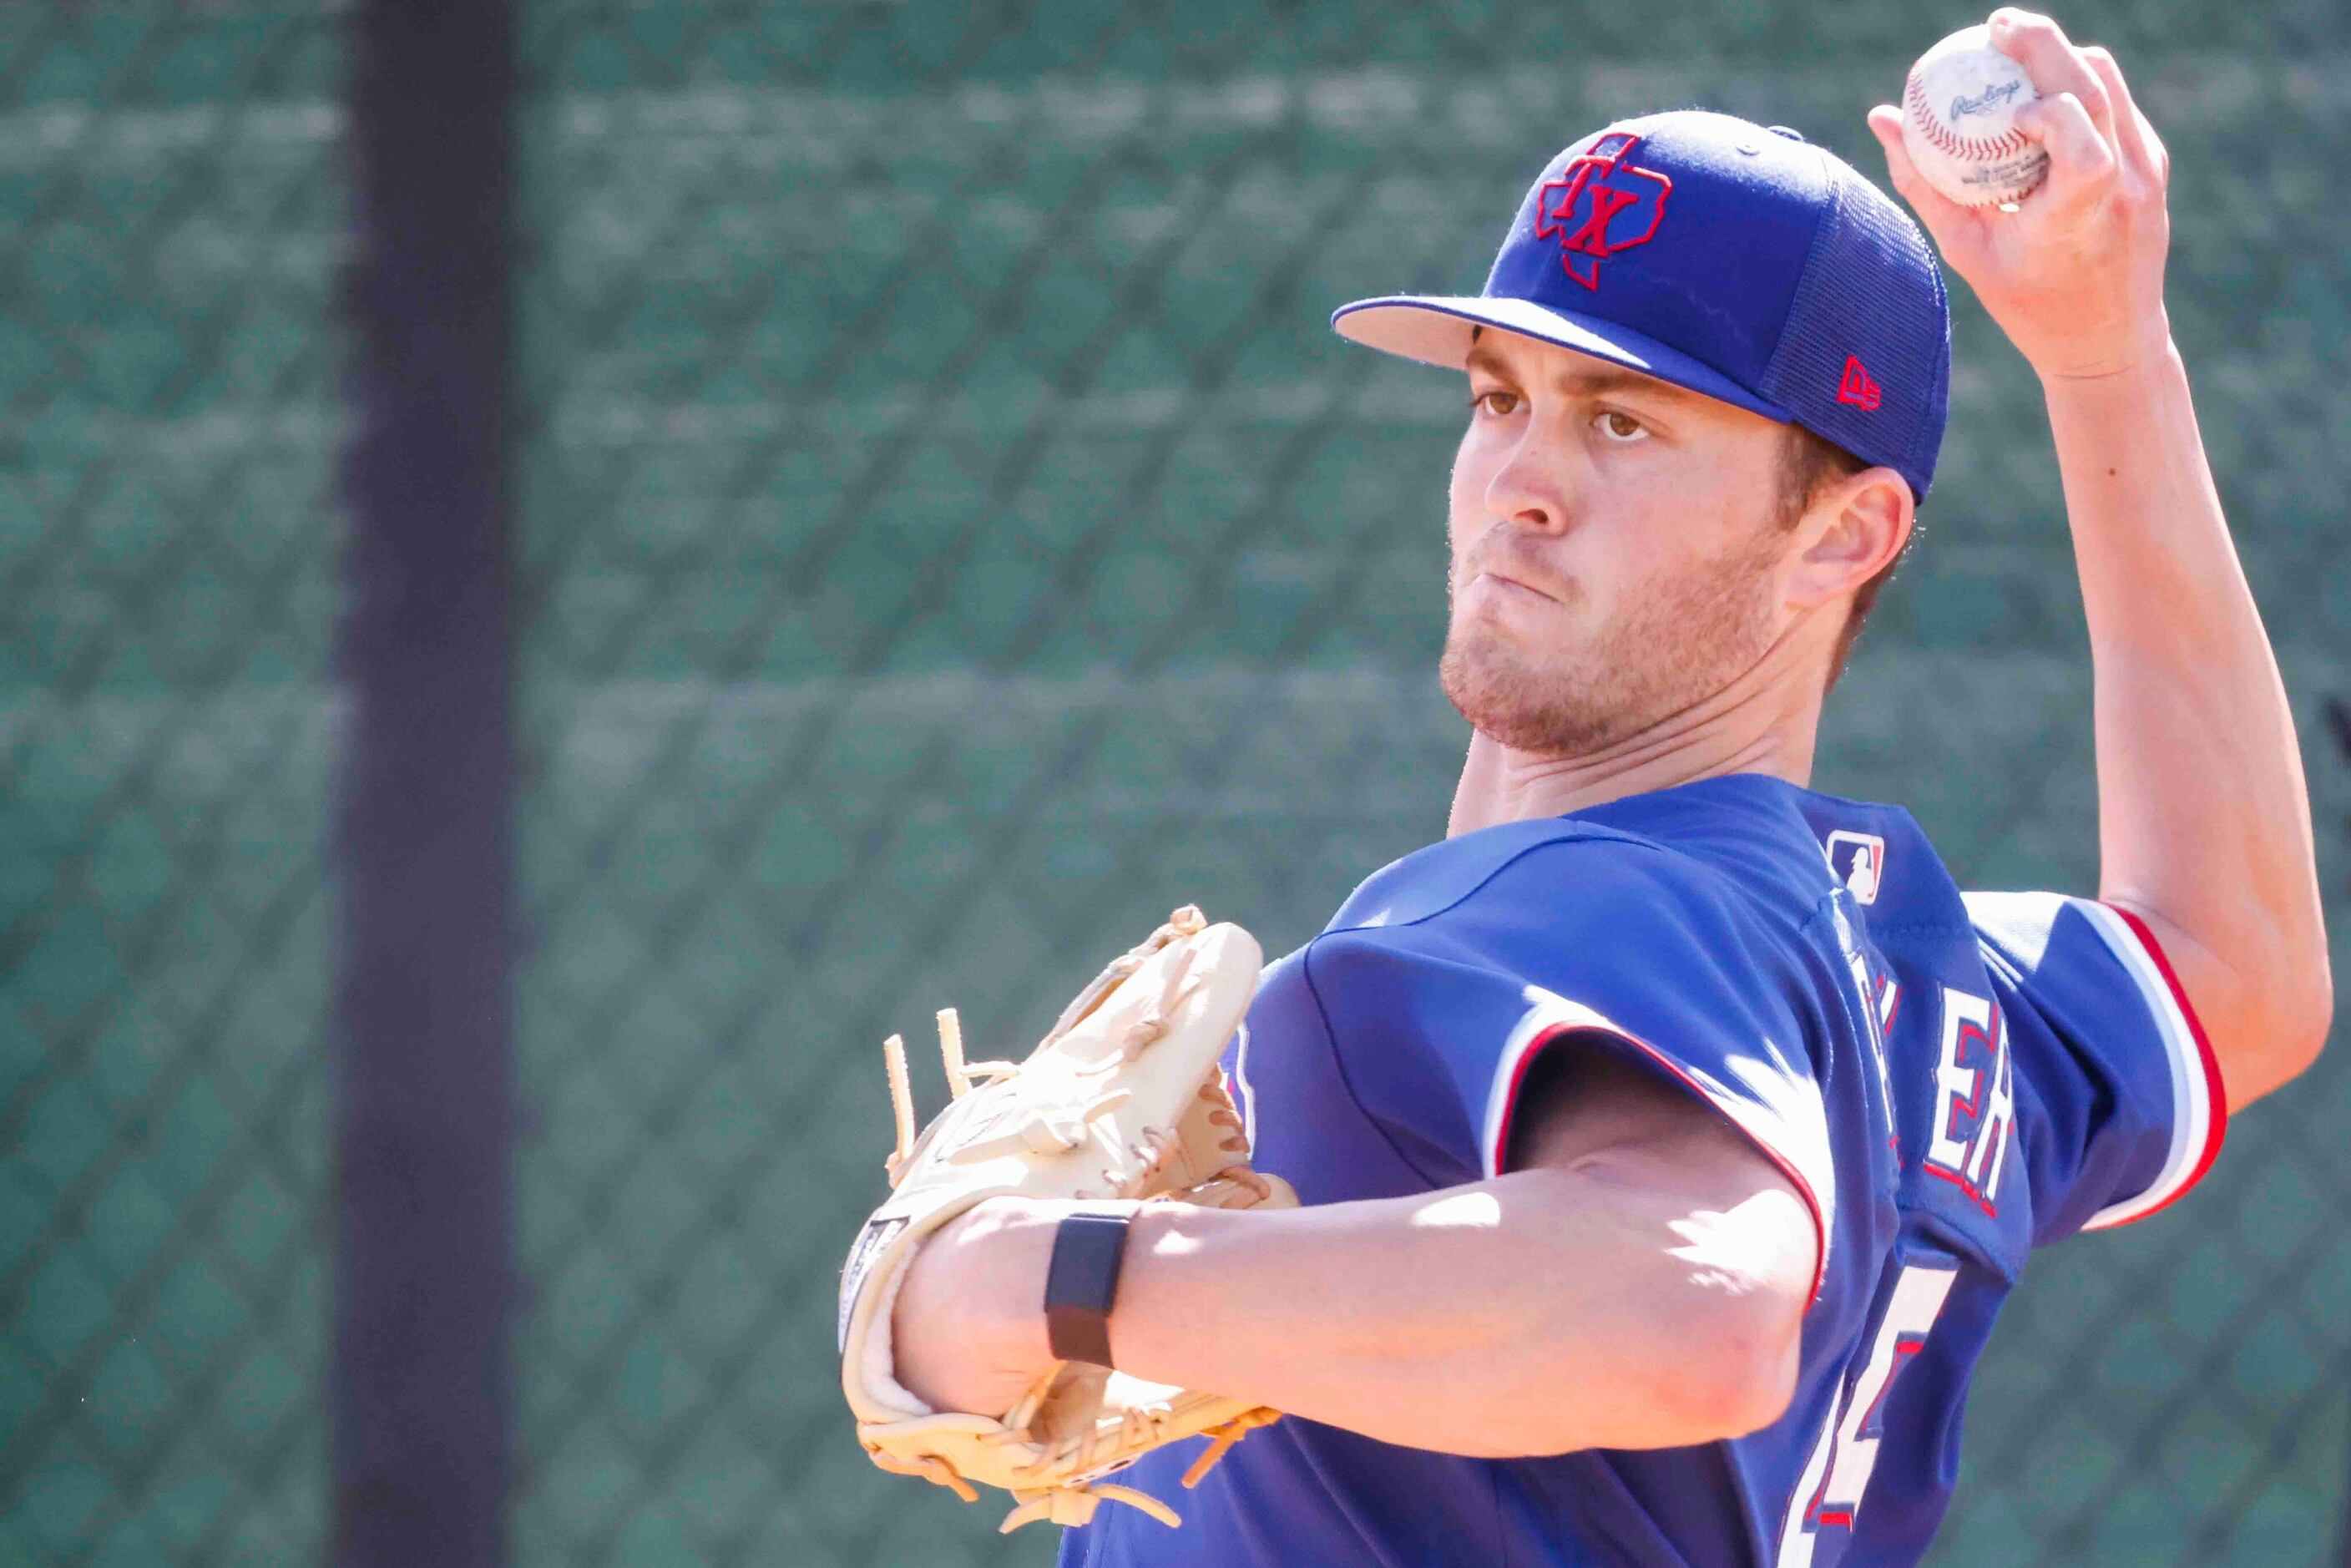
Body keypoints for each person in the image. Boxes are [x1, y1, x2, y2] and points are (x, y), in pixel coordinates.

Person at [886, 11, 2332, 1564]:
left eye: (1623, 420)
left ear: (1841, 536)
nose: (1520, 479)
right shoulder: (1910, 975)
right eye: (1502, 395)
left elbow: (1698, 1302)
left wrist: (1064, 1277)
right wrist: (2108, 355)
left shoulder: (1591, 899)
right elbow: (2233, 972)